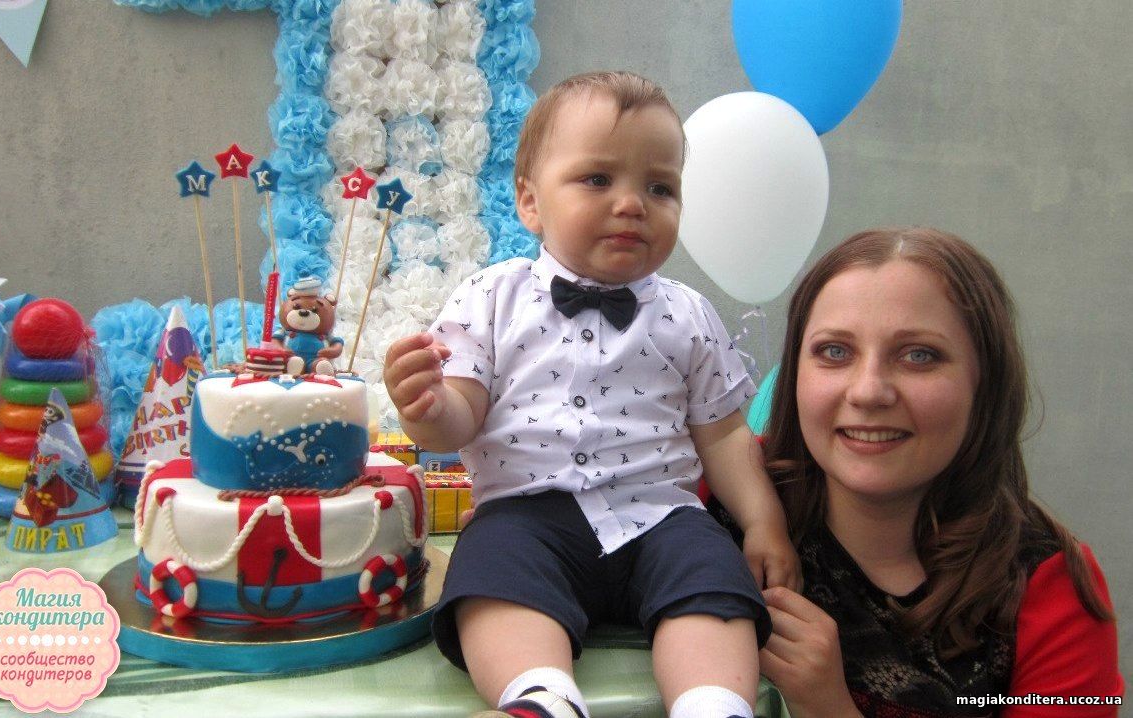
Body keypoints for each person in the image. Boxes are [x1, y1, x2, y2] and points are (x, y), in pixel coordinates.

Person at [384, 71, 799, 718]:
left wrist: (763, 522)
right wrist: (429, 408)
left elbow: (722, 435)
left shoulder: (689, 315)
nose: (632, 204)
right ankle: (538, 695)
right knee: (492, 571)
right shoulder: (490, 296)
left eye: (660, 187)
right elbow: (462, 416)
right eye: (598, 179)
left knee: (712, 578)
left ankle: (713, 702)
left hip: (660, 515)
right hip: (527, 516)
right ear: (530, 202)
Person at [721, 227, 1123, 717]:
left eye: (919, 355)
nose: (868, 392)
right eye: (835, 351)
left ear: (985, 383)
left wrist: (831, 708)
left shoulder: (1052, 590)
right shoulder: (714, 492)